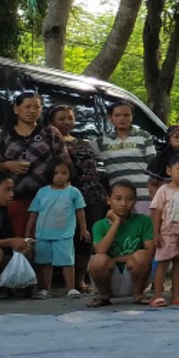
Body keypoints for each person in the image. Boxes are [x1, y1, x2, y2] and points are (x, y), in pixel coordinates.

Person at [0, 90, 66, 237]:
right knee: (19, 236)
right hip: (15, 197)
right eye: (27, 107)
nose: (32, 111)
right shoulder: (2, 135)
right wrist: (6, 166)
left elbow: (63, 162)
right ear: (16, 109)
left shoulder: (50, 133)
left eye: (36, 107)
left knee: (46, 237)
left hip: (47, 197)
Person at [48, 104, 106, 293]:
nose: (67, 122)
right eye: (61, 118)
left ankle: (81, 280)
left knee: (87, 236)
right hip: (68, 194)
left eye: (70, 118)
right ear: (52, 121)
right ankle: (65, 282)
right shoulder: (52, 142)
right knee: (69, 236)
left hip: (93, 193)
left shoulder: (83, 142)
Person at [26, 159, 89, 298]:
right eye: (56, 173)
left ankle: (71, 288)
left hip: (64, 234)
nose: (60, 176)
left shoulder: (74, 192)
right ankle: (45, 289)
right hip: (42, 234)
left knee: (67, 262)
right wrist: (28, 232)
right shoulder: (42, 192)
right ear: (50, 175)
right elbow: (34, 213)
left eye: (64, 173)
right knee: (45, 263)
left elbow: (80, 211)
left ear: (70, 174)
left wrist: (83, 229)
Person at [87, 180, 155, 307]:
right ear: (109, 200)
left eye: (129, 199)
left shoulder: (144, 221)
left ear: (135, 201)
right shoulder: (100, 225)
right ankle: (104, 296)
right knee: (98, 260)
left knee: (142, 255)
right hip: (110, 278)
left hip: (134, 276)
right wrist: (116, 223)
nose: (123, 204)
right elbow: (100, 251)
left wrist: (115, 259)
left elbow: (150, 252)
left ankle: (138, 294)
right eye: (118, 199)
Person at [149, 152, 179, 307]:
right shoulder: (163, 190)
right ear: (170, 170)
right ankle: (157, 295)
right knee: (163, 263)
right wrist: (156, 233)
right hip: (168, 233)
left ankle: (176, 295)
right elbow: (156, 211)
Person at [99, 102, 157, 212]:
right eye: (117, 115)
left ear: (132, 117)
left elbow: (154, 167)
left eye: (126, 115)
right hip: (120, 198)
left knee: (144, 227)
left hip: (143, 194)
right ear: (110, 118)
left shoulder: (144, 136)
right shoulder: (102, 141)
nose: (122, 118)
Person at [0, 172, 33, 296]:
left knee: (25, 252)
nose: (11, 195)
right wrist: (9, 242)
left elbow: (6, 237)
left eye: (12, 190)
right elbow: (4, 242)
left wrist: (19, 244)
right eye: (6, 190)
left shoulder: (2, 211)